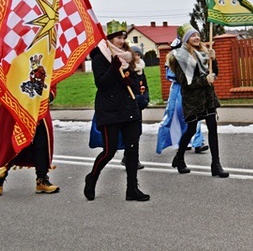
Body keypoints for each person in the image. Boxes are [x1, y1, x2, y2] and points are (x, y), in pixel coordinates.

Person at [84, 20, 150, 202]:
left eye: (123, 37)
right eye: (118, 38)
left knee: (132, 148)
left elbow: (136, 83)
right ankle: (92, 178)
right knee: (109, 150)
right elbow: (101, 84)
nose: (121, 41)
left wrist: (132, 83)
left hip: (129, 107)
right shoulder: (100, 56)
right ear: (109, 39)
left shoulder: (128, 57)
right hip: (109, 109)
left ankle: (132, 189)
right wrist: (114, 69)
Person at [168, 24, 228, 178]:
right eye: (192, 35)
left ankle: (216, 164)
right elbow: (185, 82)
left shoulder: (204, 52)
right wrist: (204, 80)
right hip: (193, 100)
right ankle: (179, 157)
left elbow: (215, 74)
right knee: (191, 129)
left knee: (213, 129)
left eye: (198, 34)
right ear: (186, 39)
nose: (197, 37)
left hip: (208, 98)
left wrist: (213, 61)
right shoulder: (181, 57)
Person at [156, 36, 209, 157]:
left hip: (191, 89)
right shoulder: (172, 59)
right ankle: (181, 141)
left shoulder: (193, 56)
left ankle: (198, 142)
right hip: (178, 90)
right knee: (176, 115)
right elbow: (171, 75)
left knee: (195, 114)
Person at [121, 46, 150, 170]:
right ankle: (133, 159)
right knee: (132, 133)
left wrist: (145, 99)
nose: (137, 57)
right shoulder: (128, 70)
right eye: (134, 55)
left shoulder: (141, 71)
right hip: (130, 107)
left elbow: (145, 87)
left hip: (138, 106)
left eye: (138, 55)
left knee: (137, 132)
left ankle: (127, 157)